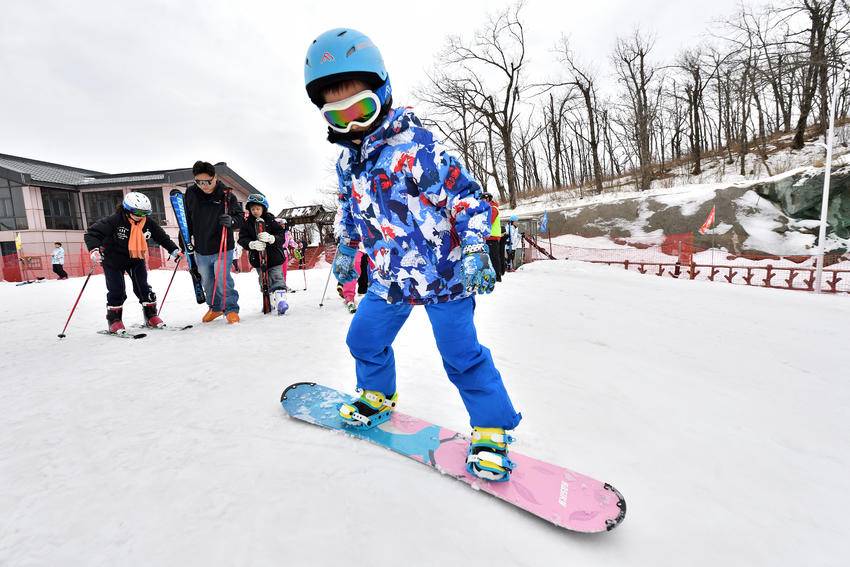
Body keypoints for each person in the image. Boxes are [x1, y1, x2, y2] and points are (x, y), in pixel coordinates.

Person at [305, 28, 521, 482]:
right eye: (337, 117)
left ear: (382, 94)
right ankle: (377, 395)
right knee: (363, 340)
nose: (352, 125)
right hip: (390, 277)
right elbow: (349, 209)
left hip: (445, 275)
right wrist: (347, 245)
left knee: (461, 354)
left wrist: (476, 245)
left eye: (360, 109)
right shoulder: (347, 164)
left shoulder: (419, 148)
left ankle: (491, 428)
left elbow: (468, 199)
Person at [84, 192, 181, 332]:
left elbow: (161, 237)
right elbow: (92, 233)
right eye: (138, 212)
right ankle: (114, 320)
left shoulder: (147, 222)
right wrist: (94, 250)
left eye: (145, 213)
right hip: (113, 259)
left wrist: (174, 250)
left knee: (143, 287)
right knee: (116, 289)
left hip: (136, 258)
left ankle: (151, 316)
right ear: (127, 209)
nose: (141, 216)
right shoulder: (115, 220)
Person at [185, 161, 243, 324]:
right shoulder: (191, 193)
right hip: (201, 247)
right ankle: (215, 307)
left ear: (215, 177)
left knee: (222, 278)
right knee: (208, 282)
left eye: (207, 182)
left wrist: (231, 221)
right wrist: (185, 239)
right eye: (199, 182)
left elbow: (240, 218)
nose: (203, 185)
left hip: (222, 246)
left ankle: (231, 309)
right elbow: (186, 219)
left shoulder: (226, 195)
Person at [238, 194, 289, 315]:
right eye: (253, 209)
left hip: (274, 257)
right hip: (258, 259)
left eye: (258, 208)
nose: (255, 211)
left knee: (277, 278)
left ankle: (281, 301)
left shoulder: (271, 221)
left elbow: (281, 236)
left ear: (263, 209)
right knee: (264, 281)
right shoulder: (247, 224)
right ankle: (269, 301)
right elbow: (242, 239)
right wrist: (251, 244)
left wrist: (272, 238)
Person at [483, 192, 503, 282]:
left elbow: (489, 221)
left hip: (492, 237)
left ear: (488, 199)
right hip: (489, 237)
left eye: (484, 199)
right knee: (490, 257)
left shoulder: (493, 208)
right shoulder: (488, 208)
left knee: (493, 257)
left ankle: (496, 276)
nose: (482, 201)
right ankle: (492, 275)